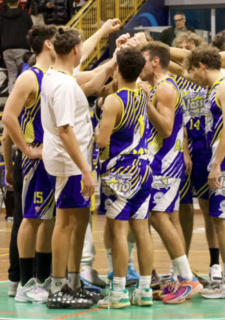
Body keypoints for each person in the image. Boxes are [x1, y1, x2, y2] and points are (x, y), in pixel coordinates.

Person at [41, 26, 106, 309]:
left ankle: (74, 282)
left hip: (73, 162)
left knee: (80, 222)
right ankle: (57, 287)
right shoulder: (65, 85)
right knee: (66, 223)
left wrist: (103, 33)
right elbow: (65, 130)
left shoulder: (57, 74)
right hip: (70, 164)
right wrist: (85, 170)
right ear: (75, 51)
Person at [138, 42, 202, 304]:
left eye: (141, 59)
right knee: (167, 218)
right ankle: (179, 276)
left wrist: (146, 102)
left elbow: (165, 129)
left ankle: (188, 279)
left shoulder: (164, 87)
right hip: (165, 159)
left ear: (154, 61)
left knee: (158, 217)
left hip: (164, 162)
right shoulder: (161, 85)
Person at [2, 25, 58, 304]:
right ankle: (24, 283)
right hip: (35, 161)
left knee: (47, 219)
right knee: (31, 219)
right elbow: (7, 118)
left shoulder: (55, 76)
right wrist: (27, 150)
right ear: (48, 44)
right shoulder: (29, 77)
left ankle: (43, 278)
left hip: (52, 160)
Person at [95, 47, 154, 309]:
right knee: (141, 230)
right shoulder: (143, 94)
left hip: (120, 171)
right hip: (143, 168)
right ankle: (144, 290)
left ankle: (118, 292)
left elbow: (102, 139)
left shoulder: (113, 101)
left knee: (118, 231)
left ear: (117, 69)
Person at [166, 36, 221, 285]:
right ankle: (181, 264)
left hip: (211, 148)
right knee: (188, 208)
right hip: (191, 146)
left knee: (214, 211)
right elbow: (175, 64)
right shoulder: (183, 79)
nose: (182, 56)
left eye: (188, 52)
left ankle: (215, 265)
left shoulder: (215, 81)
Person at [184, 46, 225, 299]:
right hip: (217, 158)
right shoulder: (215, 88)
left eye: (192, 70)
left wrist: (217, 164)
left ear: (201, 65)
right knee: (218, 220)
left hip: (222, 162)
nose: (191, 77)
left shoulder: (221, 87)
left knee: (221, 222)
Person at [0, 0, 33, 93]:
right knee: (23, 74)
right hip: (22, 48)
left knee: (11, 74)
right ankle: (23, 100)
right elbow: (32, 31)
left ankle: (12, 100)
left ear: (7, 3)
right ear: (18, 2)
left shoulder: (2, 17)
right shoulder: (25, 15)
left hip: (6, 49)